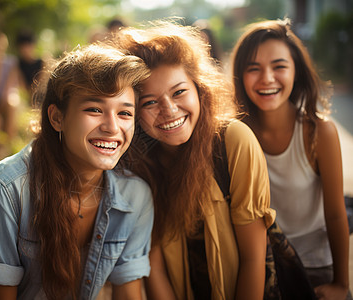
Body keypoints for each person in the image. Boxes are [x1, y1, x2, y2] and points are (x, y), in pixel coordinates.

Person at [0, 44, 153, 299]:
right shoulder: (4, 190)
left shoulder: (135, 197)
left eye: (124, 113)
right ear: (57, 118)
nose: (112, 127)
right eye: (94, 109)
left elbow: (129, 294)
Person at [109, 21, 275, 300]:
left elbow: (253, 258)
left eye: (179, 92)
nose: (169, 110)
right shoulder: (138, 161)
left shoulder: (233, 141)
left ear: (200, 89)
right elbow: (155, 266)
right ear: (134, 111)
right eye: (149, 102)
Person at [230, 18, 350, 299]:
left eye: (279, 66)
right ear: (239, 75)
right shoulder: (234, 134)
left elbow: (335, 213)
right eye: (253, 69)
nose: (267, 78)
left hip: (315, 264)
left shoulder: (318, 131)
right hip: (257, 266)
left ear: (296, 70)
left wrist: (341, 284)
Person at [16, 31, 43, 95]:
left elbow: (41, 85)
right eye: (23, 46)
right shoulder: (17, 64)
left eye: (28, 45)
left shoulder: (42, 63)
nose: (25, 49)